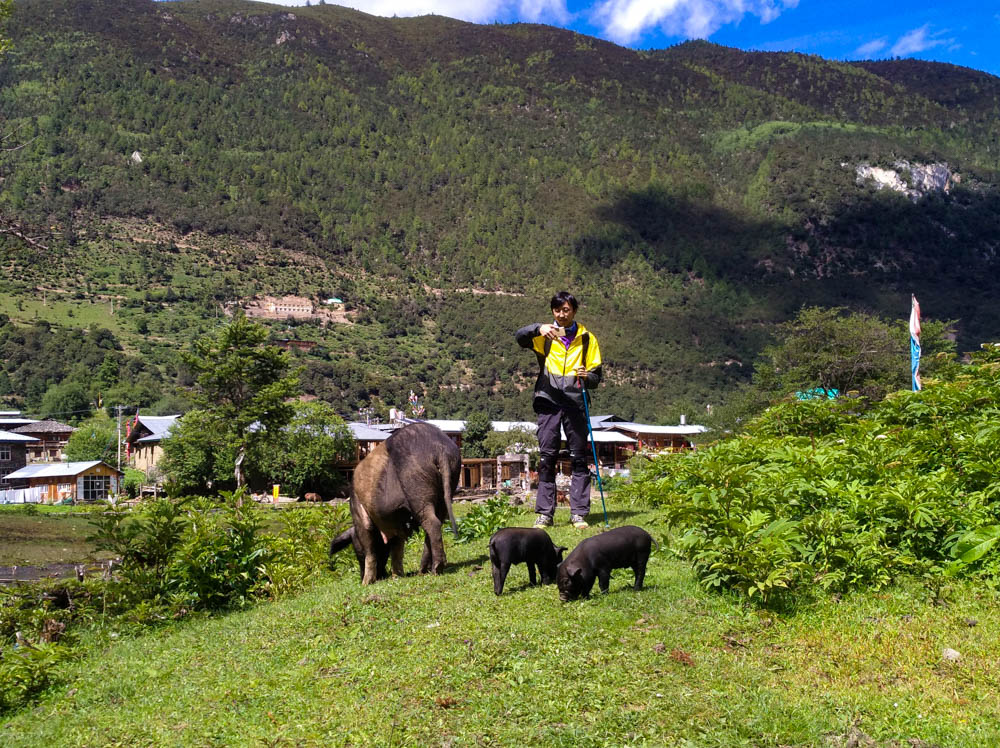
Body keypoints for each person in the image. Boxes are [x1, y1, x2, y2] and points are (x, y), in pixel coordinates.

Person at [515, 291, 602, 529]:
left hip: (575, 403)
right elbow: (519, 337)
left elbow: (597, 376)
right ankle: (545, 514)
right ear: (552, 311)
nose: (561, 315)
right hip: (548, 400)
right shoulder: (544, 336)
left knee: (578, 458)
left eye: (566, 310)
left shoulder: (586, 339)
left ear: (574, 311)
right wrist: (538, 328)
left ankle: (579, 514)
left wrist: (588, 377)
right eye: (557, 310)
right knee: (547, 457)